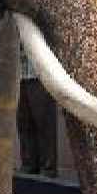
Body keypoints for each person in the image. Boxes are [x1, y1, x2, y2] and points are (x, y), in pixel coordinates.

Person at [17, 44, 58, 177]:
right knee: (23, 123)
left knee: (44, 122)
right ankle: (28, 164)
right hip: (18, 76)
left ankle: (48, 167)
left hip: (40, 75)